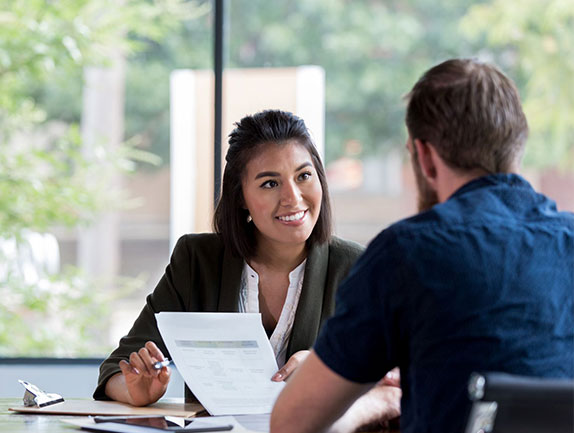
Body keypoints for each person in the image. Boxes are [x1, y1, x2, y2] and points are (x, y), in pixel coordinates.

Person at [271, 59, 574, 433]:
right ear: (518, 144)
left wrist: (380, 399)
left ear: (425, 157)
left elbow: (291, 423)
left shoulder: (407, 253)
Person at [93, 110, 367, 407]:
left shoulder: (354, 267)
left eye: (303, 176)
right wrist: (135, 390)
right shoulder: (197, 261)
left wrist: (326, 368)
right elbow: (117, 368)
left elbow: (393, 375)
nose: (293, 197)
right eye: (270, 183)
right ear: (240, 196)